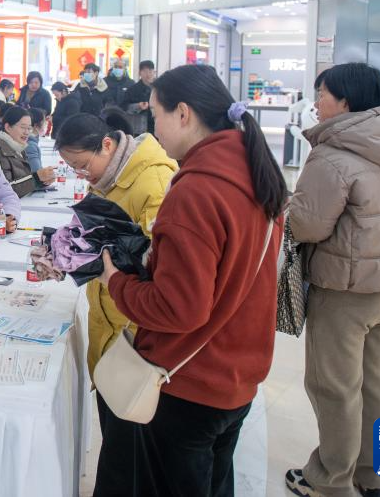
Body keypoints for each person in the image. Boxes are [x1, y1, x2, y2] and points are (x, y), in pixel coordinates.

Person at [100, 63, 286, 496]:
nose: (153, 129)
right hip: (237, 373)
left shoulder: (196, 191)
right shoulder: (253, 170)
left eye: (156, 115)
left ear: (183, 113)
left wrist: (116, 282)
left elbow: (178, 308)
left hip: (189, 381)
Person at [285, 63, 380, 497]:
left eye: (322, 94)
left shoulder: (333, 154)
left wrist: (288, 207)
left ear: (345, 101)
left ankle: (330, 481)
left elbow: (307, 226)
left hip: (345, 291)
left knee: (336, 388)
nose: (317, 104)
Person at [53, 112, 177, 495]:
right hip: (111, 327)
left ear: (107, 145)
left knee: (127, 456)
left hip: (136, 339)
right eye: (73, 168)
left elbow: (160, 270)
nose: (81, 175)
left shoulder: (153, 182)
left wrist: (105, 263)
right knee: (118, 444)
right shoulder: (108, 179)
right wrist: (61, 252)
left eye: (82, 165)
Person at [0, 106, 56, 197]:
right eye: (23, 127)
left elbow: (22, 181)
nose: (27, 132)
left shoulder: (18, 148)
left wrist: (42, 180)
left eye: (29, 128)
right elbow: (3, 189)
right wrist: (36, 178)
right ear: (8, 127)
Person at [123, 60, 156, 133]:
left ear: (154, 72)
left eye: (150, 71)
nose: (148, 74)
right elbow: (124, 107)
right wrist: (138, 106)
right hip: (139, 130)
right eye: (145, 71)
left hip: (157, 129)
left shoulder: (159, 89)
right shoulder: (132, 90)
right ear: (139, 73)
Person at [24, 107, 45, 173]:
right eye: (44, 122)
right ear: (36, 125)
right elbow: (37, 173)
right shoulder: (30, 145)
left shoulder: (31, 141)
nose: (45, 125)